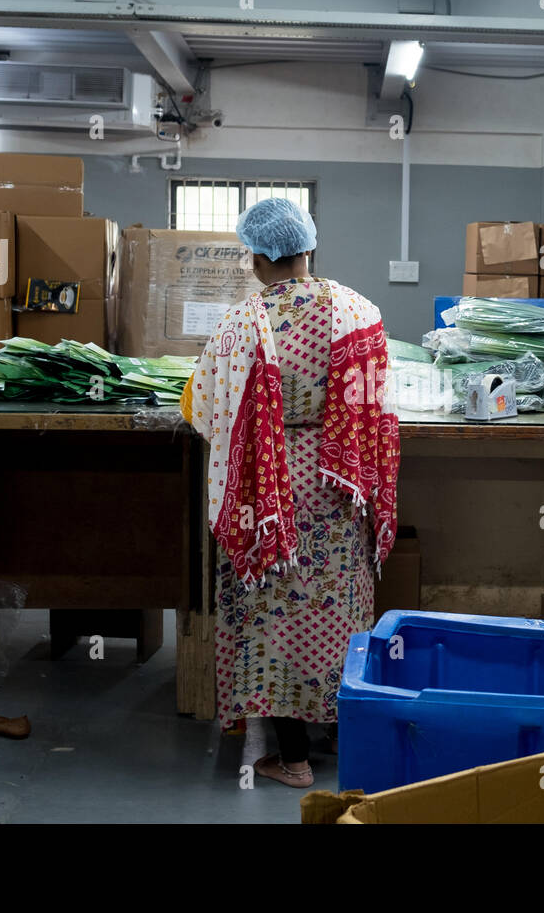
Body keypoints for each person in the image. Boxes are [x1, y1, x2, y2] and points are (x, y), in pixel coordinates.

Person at [181, 197, 400, 788]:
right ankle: (344, 733)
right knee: (337, 605)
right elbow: (380, 408)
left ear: (256, 258)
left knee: (270, 613)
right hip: (338, 485)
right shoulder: (359, 311)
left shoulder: (240, 324)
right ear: (308, 246)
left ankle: (293, 755)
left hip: (267, 488)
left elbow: (205, 409)